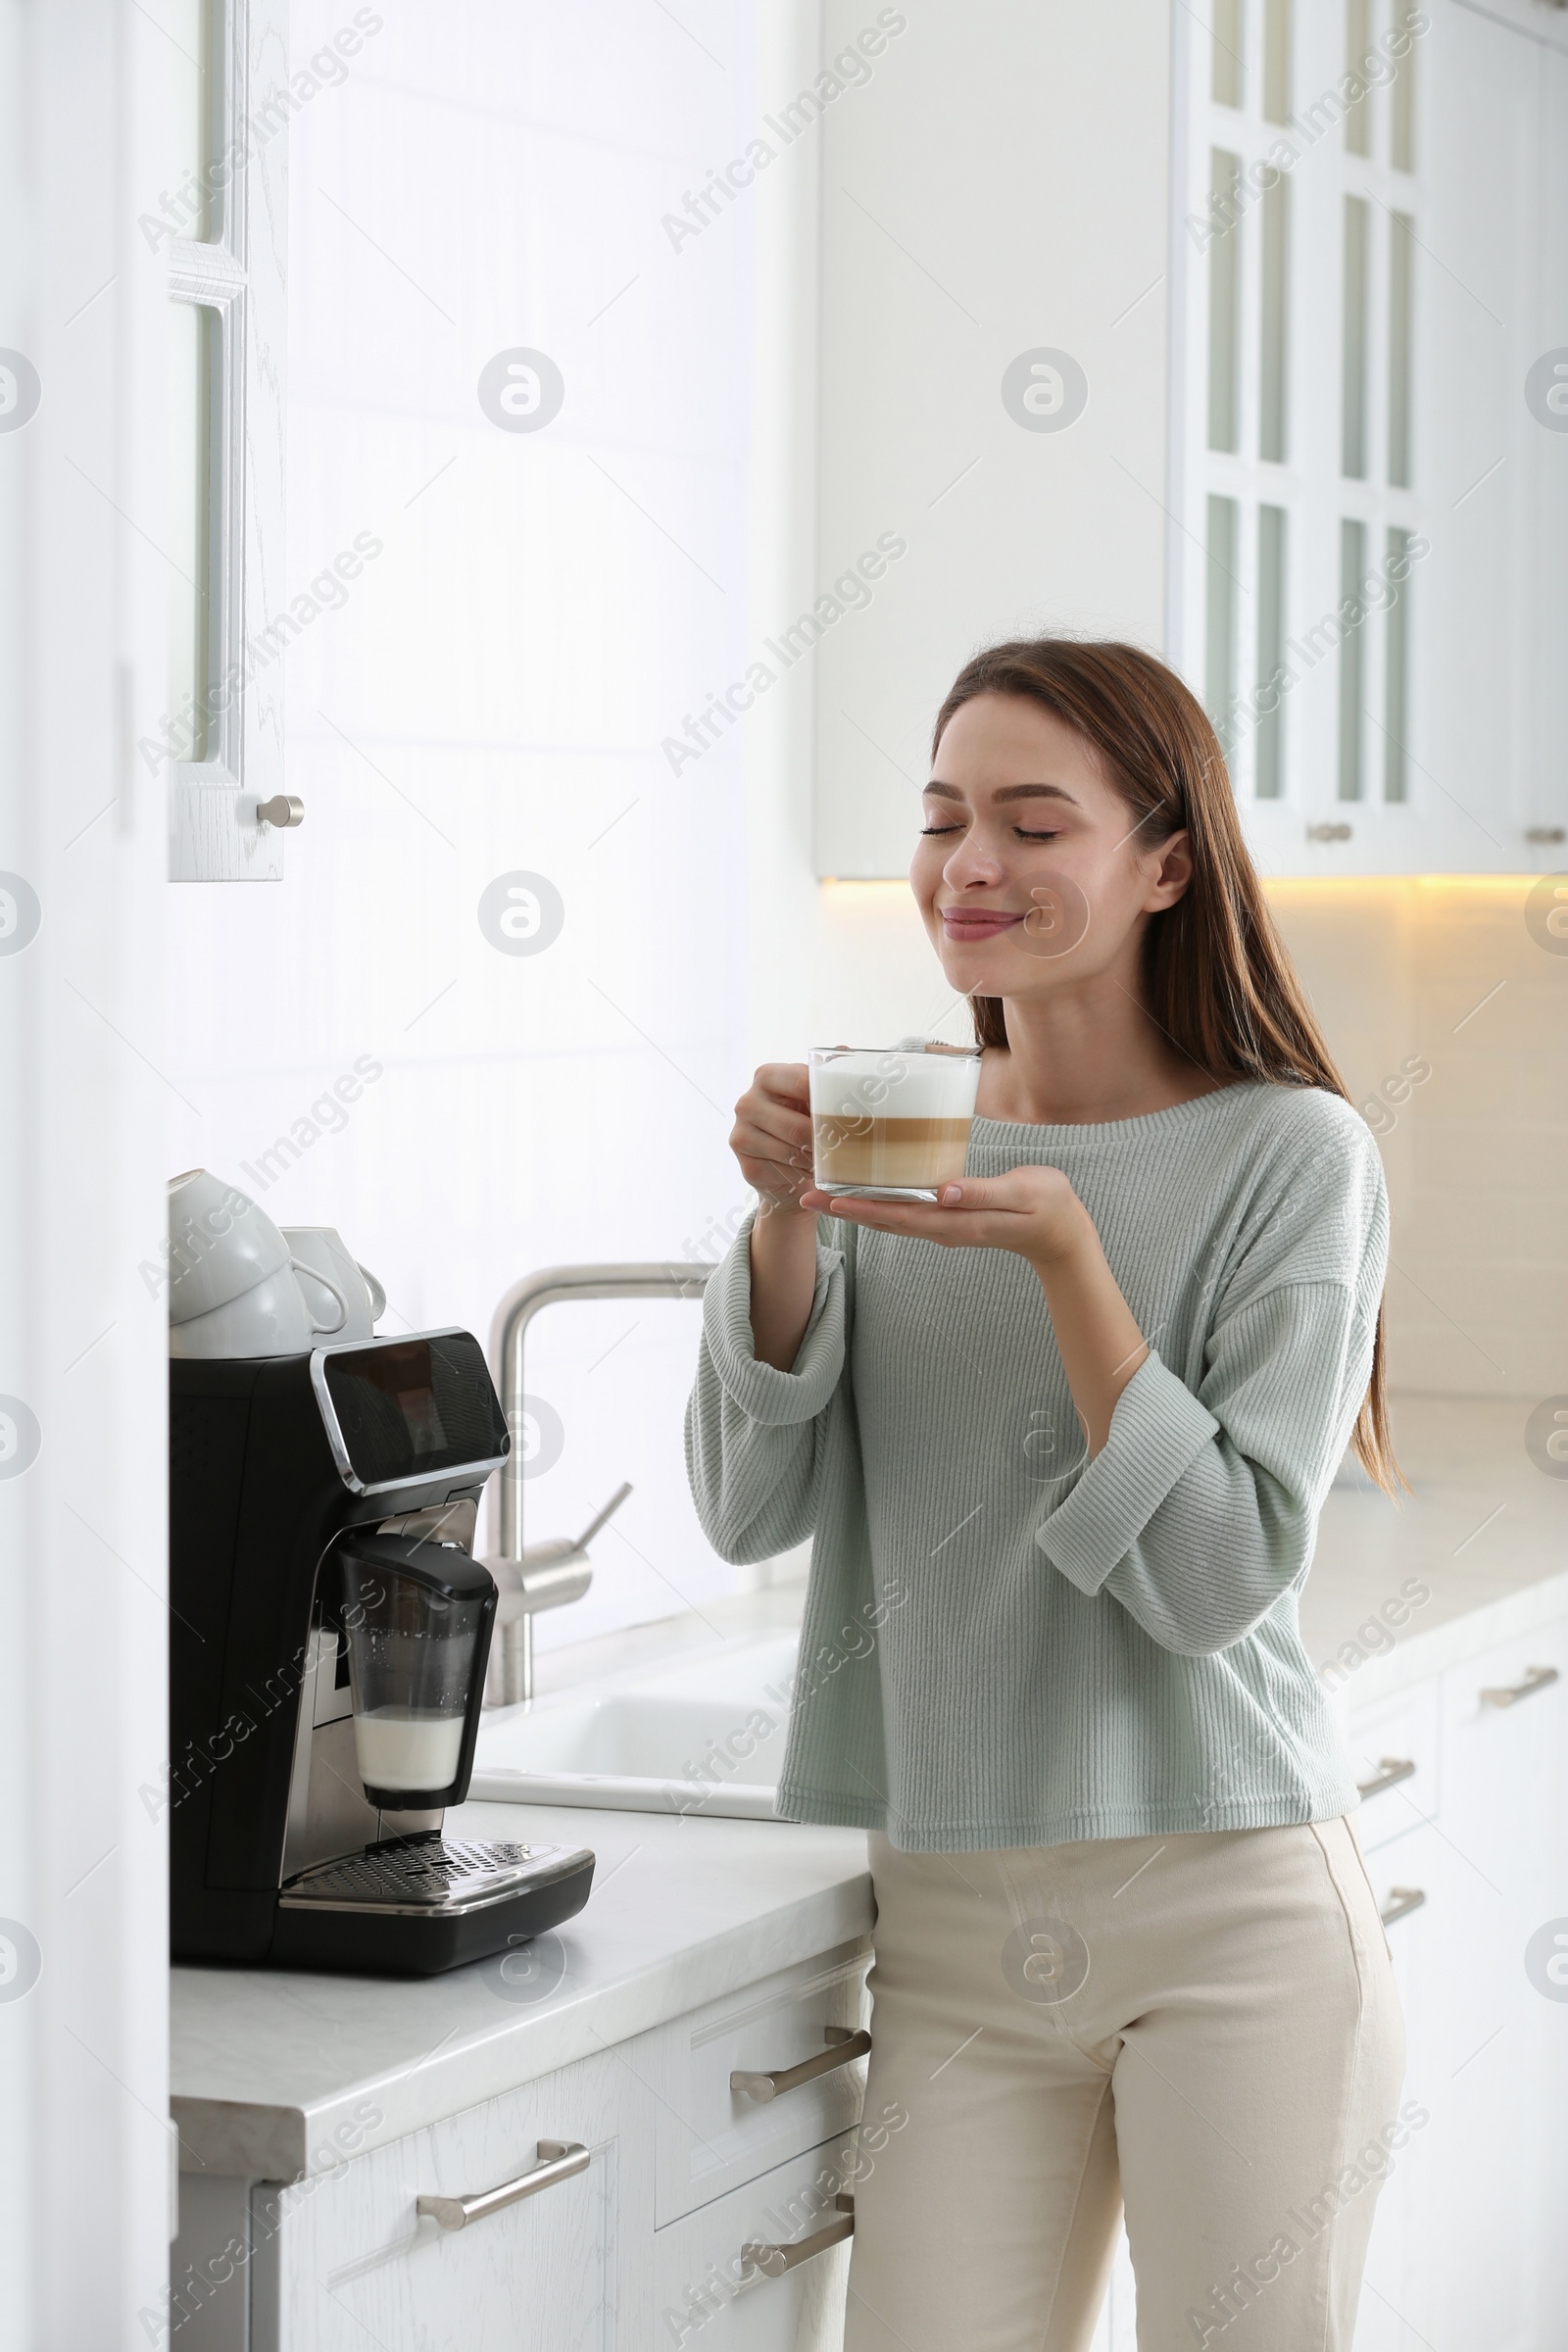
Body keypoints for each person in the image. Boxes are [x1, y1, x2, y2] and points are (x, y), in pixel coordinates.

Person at [684, 639, 1409, 2351]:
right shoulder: (893, 1131)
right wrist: (787, 1217)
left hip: (1228, 1908)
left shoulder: (1293, 1155)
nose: (971, 866)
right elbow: (744, 1508)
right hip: (949, 1915)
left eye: (1032, 821)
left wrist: (1073, 1266)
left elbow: (1219, 1577)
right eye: (944, 819)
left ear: (1166, 864)